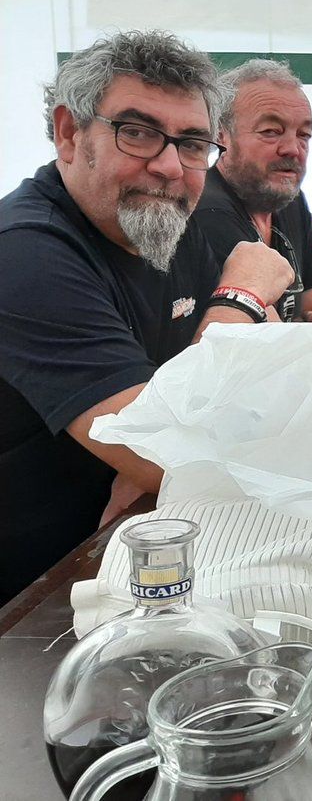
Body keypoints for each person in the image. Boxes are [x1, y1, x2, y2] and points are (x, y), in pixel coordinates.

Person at [0, 31, 295, 604]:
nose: (168, 166)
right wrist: (240, 299)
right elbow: (174, 455)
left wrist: (140, 469)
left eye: (191, 144)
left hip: (144, 542)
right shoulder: (24, 252)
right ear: (68, 133)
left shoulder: (164, 226)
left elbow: (269, 384)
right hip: (35, 600)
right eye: (137, 133)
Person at [192, 59, 312, 328]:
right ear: (221, 135)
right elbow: (270, 339)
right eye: (271, 131)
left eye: (304, 134)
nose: (293, 148)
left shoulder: (290, 200)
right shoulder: (208, 210)